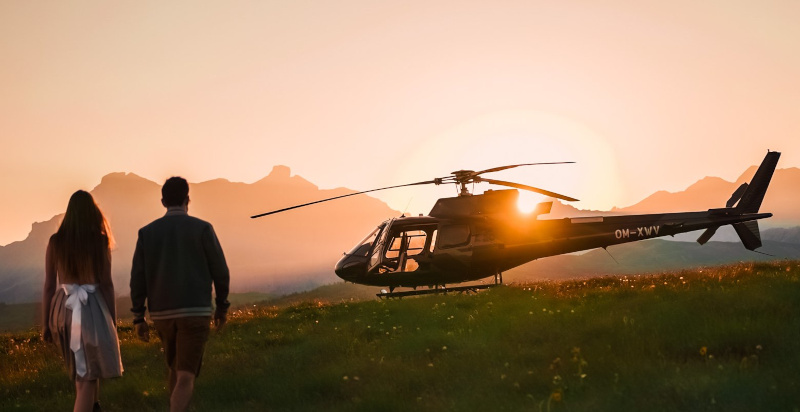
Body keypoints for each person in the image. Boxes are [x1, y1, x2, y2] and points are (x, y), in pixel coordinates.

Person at [130, 176, 230, 412]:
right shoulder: (203, 229)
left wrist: (138, 317)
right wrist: (222, 307)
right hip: (195, 312)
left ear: (163, 201)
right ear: (188, 199)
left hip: (162, 315)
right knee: (186, 376)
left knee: (175, 369)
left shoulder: (147, 233)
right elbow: (220, 271)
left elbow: (138, 278)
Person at [41, 190, 123, 412]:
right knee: (87, 376)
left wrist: (46, 324)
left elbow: (49, 285)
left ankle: (94, 406)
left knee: (83, 371)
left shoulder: (56, 242)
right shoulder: (99, 241)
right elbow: (106, 284)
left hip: (63, 309)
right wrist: (112, 322)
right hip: (91, 308)